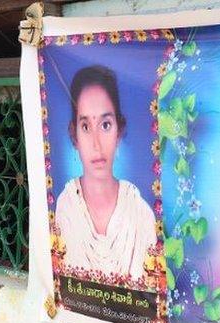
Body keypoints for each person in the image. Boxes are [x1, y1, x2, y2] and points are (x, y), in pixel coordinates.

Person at [55, 64, 157, 281]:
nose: (96, 143)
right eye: (85, 126)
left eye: (105, 125)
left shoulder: (140, 214)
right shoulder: (67, 206)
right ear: (74, 136)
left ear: (119, 131)